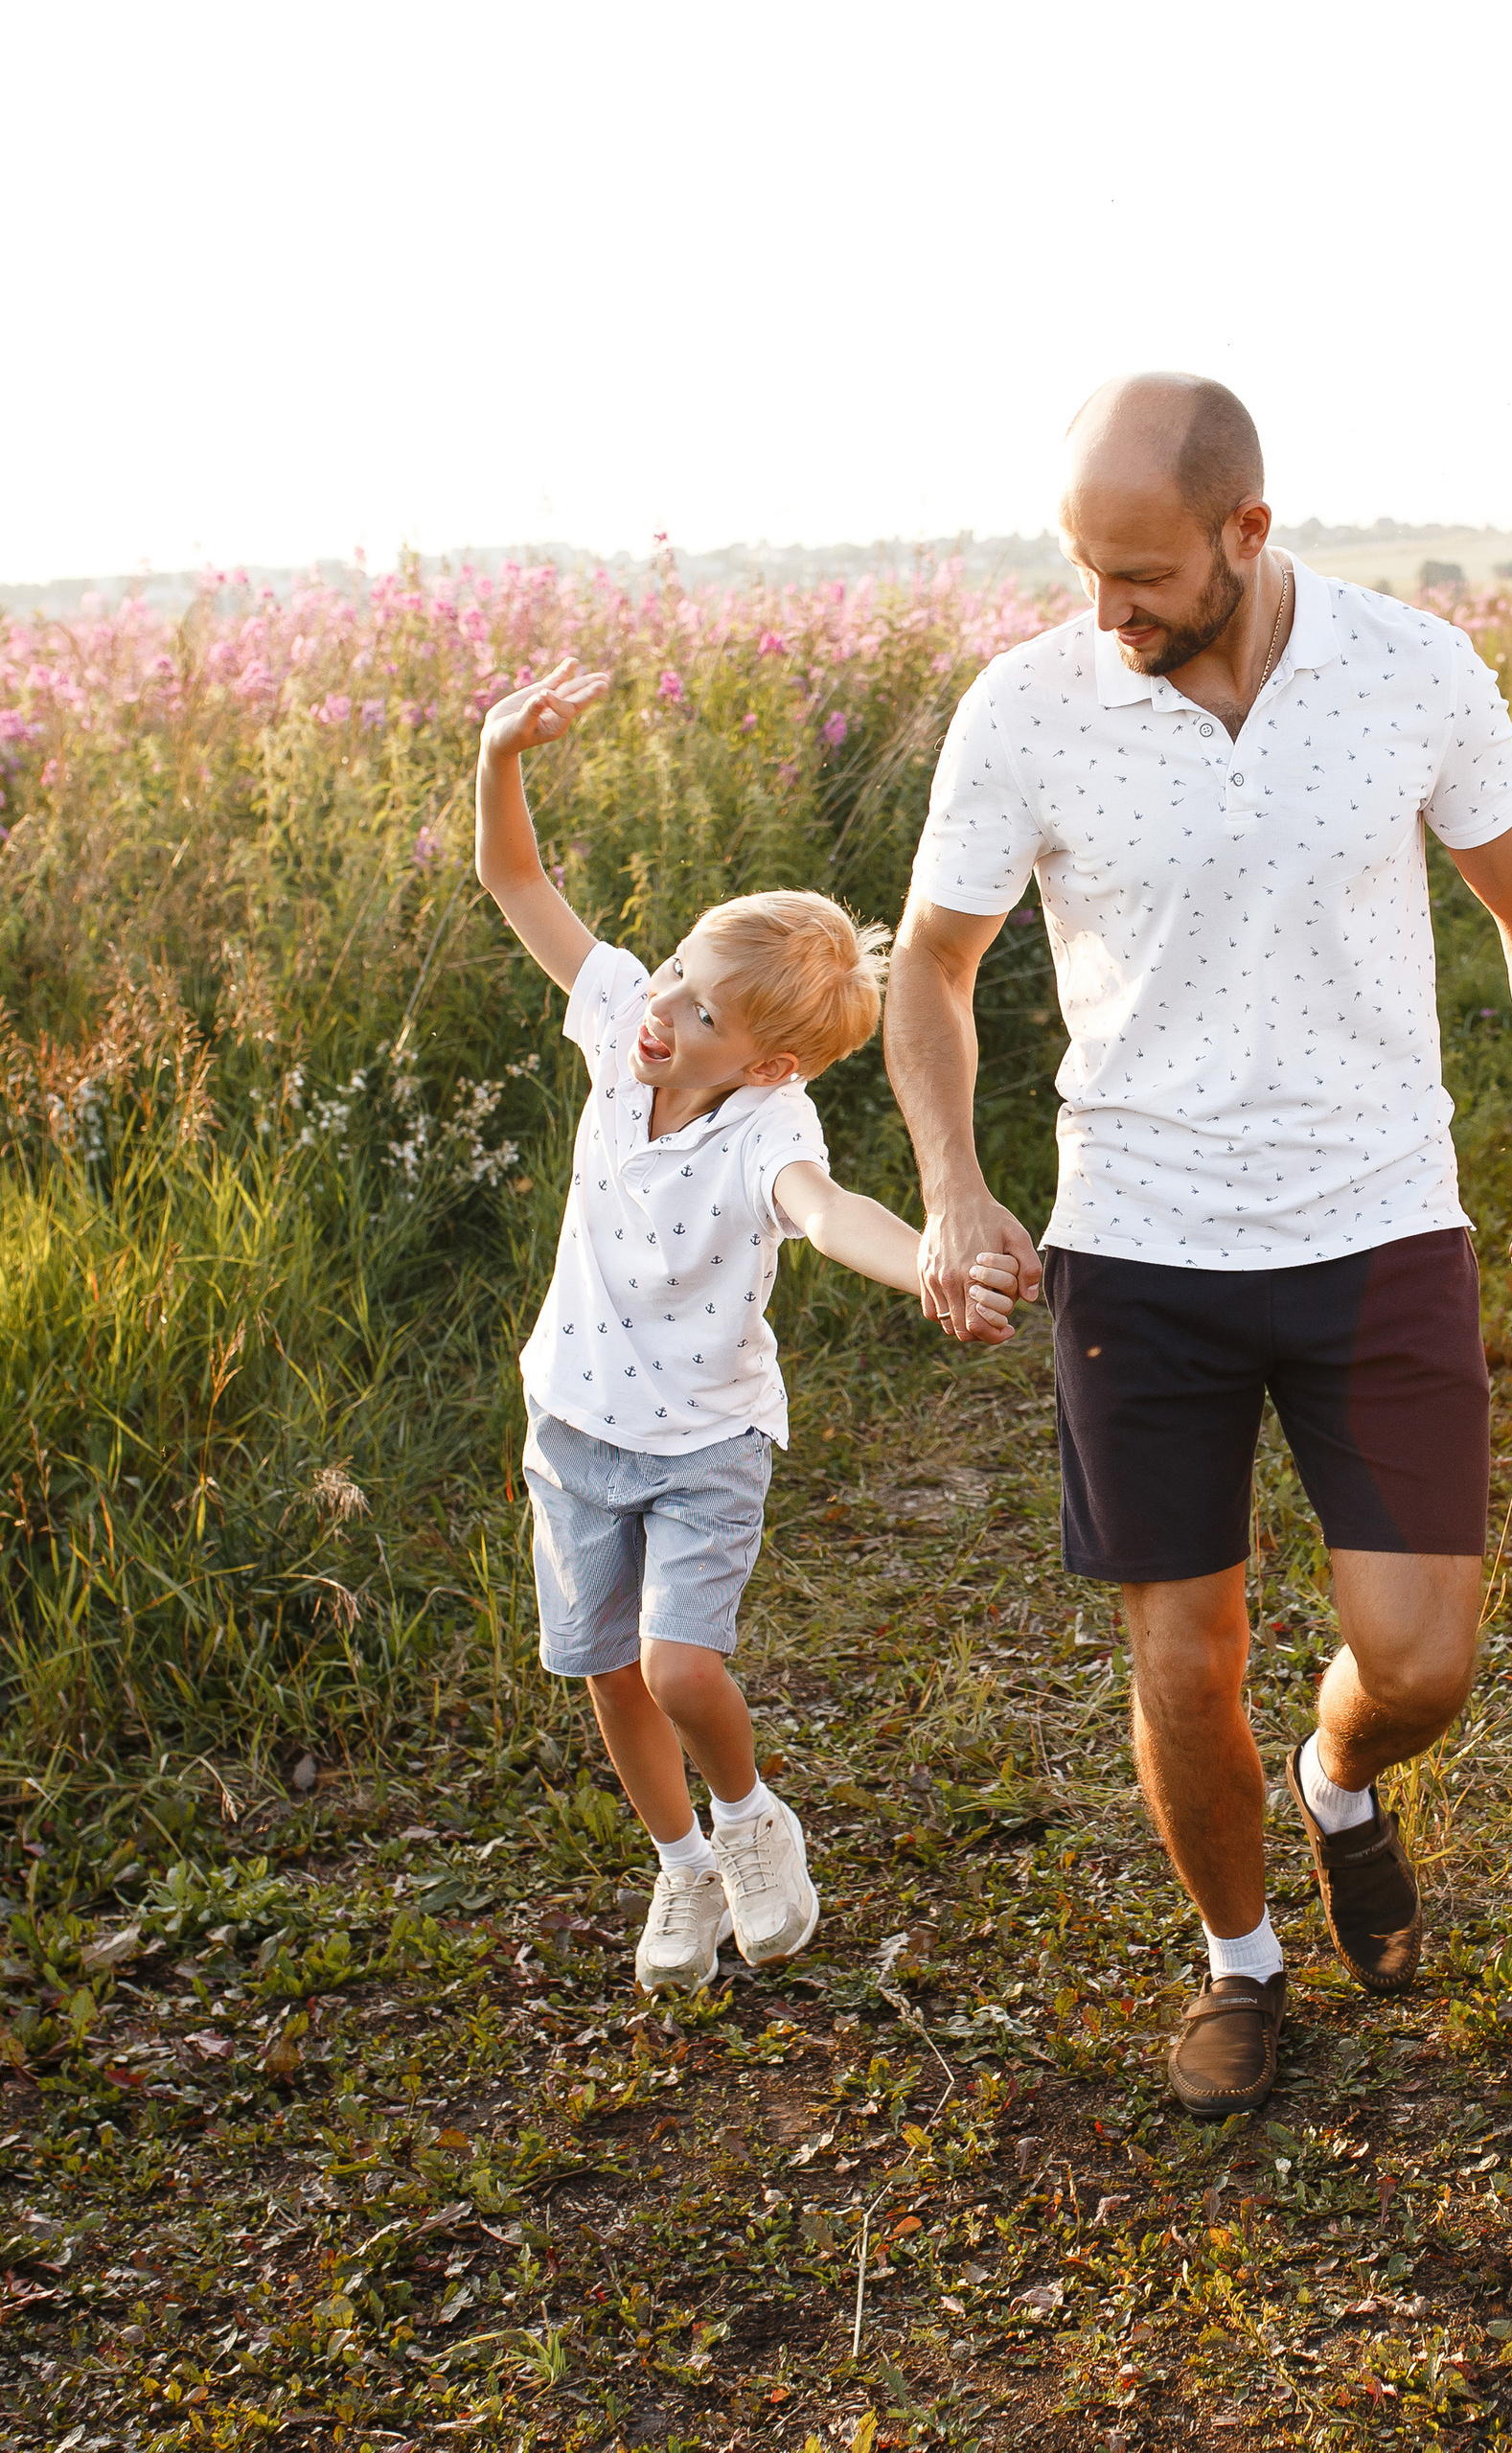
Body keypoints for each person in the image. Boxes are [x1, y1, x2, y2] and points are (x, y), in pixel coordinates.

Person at [883, 373, 1512, 2116]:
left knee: (1424, 1657)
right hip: (1139, 1241)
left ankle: (1341, 1784)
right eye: (1082, 570)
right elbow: (927, 964)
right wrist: (954, 1185)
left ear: (1246, 530)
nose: (1106, 611)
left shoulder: (1410, 671)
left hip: (1379, 1224)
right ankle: (1239, 1964)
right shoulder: (1029, 710)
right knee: (1178, 1654)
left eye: (1139, 575)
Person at [472, 657, 1013, 1994]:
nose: (662, 1006)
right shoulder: (623, 1029)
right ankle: (681, 1869)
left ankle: (750, 1815)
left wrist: (932, 1255)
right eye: (672, 975)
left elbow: (826, 1214)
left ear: (766, 1061)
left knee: (679, 1666)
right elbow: (516, 886)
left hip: (705, 1438)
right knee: (605, 1671)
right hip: (574, 1422)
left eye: (702, 1011)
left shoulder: (773, 1124)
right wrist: (500, 755)